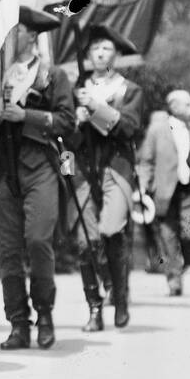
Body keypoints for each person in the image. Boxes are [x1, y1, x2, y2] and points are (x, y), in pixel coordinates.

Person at [0, 7, 75, 350]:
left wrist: (26, 115)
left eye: (15, 30)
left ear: (32, 36)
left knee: (38, 241)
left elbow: (67, 121)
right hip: (3, 170)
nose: (9, 36)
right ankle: (18, 324)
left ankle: (45, 314)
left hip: (41, 166)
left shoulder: (52, 75)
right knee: (8, 251)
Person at [65, 24, 144, 331]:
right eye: (95, 48)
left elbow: (128, 128)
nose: (100, 53)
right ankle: (94, 308)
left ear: (117, 55)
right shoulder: (75, 90)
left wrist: (95, 107)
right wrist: (77, 119)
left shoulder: (130, 90)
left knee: (112, 233)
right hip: (84, 170)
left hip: (116, 168)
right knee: (86, 242)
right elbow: (65, 139)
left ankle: (120, 298)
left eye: (106, 48)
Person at [137, 90, 190, 296]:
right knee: (167, 237)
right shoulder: (157, 129)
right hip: (164, 190)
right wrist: (143, 185)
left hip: (188, 189)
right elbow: (147, 159)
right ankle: (174, 281)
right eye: (187, 104)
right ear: (174, 106)